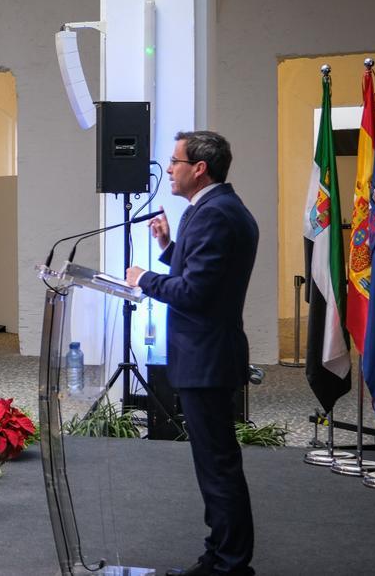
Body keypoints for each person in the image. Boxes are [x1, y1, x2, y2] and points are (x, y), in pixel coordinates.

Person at [125, 131, 257, 576]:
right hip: (208, 355)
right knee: (215, 466)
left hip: (207, 359)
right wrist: (167, 250)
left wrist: (143, 279)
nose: (169, 169)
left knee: (218, 469)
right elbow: (205, 274)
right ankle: (220, 554)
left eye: (175, 161)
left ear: (199, 168)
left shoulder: (214, 215)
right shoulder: (217, 210)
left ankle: (229, 564)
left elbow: (196, 293)